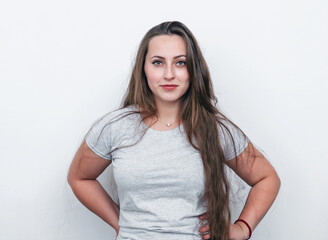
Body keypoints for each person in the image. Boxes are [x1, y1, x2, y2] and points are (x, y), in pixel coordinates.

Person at [67, 21, 281, 240]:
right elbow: (80, 177)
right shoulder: (115, 126)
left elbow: (267, 178)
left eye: (180, 63)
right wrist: (120, 224)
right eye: (158, 62)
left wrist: (241, 229)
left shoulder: (213, 129)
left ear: (193, 69)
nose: (169, 74)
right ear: (144, 68)